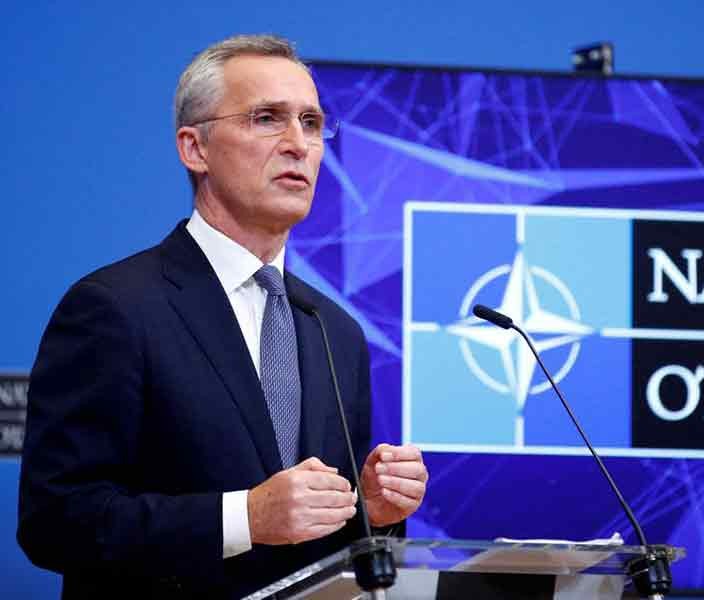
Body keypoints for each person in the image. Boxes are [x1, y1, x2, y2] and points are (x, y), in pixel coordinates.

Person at [17, 34, 428, 599]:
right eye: (267, 118)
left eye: (311, 122)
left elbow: (316, 538)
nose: (297, 143)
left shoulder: (334, 330)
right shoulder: (114, 307)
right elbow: (56, 520)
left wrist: (371, 513)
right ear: (195, 148)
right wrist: (244, 518)